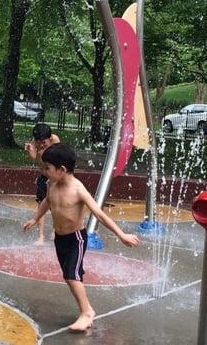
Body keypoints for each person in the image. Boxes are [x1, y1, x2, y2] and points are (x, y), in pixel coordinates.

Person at [23, 143, 140, 331]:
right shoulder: (51, 183)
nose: (44, 171)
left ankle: (87, 313)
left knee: (71, 275)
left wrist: (121, 234)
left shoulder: (78, 189)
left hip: (76, 239)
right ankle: (86, 309)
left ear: (62, 170)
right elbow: (47, 201)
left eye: (47, 168)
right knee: (70, 276)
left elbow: (99, 214)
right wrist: (35, 218)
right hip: (60, 239)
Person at [24, 123, 60, 245]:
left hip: (56, 177)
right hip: (44, 176)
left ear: (50, 139)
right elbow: (34, 158)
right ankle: (40, 237)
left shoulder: (55, 140)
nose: (40, 144)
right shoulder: (35, 143)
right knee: (41, 206)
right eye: (38, 142)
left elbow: (60, 158)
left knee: (56, 206)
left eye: (43, 142)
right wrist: (31, 151)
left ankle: (56, 230)